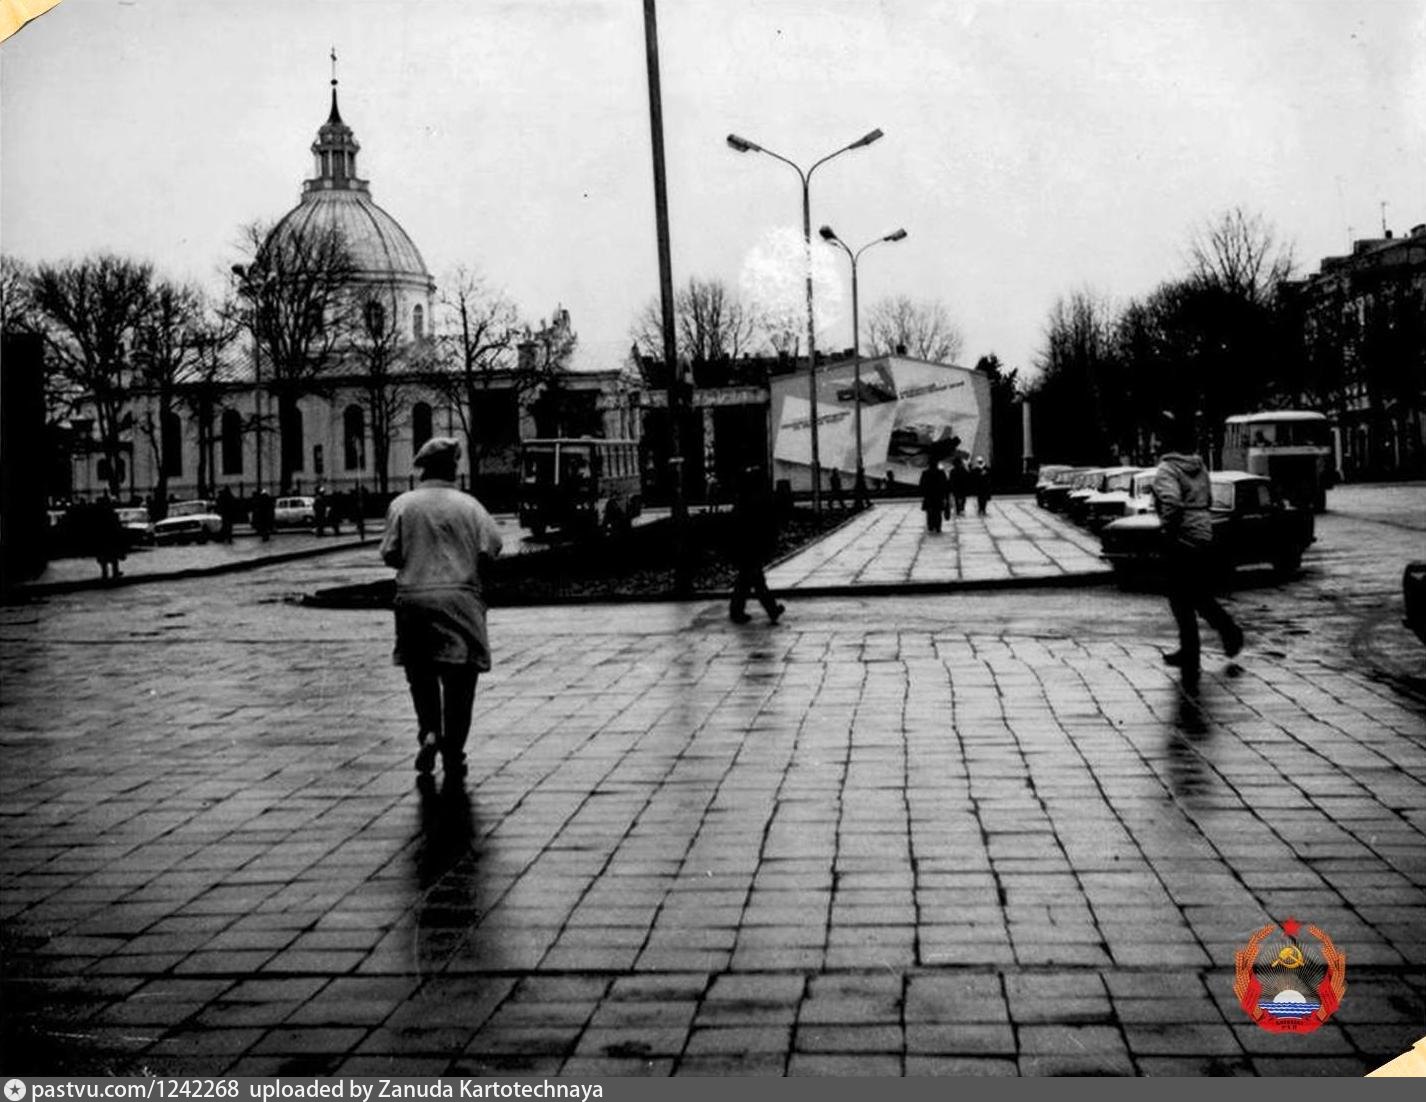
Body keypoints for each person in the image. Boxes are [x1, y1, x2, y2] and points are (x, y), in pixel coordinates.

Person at [381, 437, 503, 778]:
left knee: (420, 673)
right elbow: (492, 547)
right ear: (453, 468)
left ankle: (429, 731)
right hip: (459, 598)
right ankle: (454, 752)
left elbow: (390, 554)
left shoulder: (403, 504)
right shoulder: (470, 506)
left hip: (414, 598)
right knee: (460, 680)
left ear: (423, 469)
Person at [1154, 412, 1244, 687]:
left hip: (1182, 538)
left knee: (1180, 598)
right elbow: (1209, 498)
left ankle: (1202, 646)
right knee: (1197, 595)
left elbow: (1172, 503)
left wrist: (1168, 531)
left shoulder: (1167, 469)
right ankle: (1219, 636)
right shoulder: (1199, 466)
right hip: (1204, 532)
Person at [728, 465, 785, 625]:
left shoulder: (744, 499)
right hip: (751, 547)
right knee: (754, 580)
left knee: (747, 580)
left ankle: (738, 611)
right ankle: (770, 609)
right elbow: (763, 525)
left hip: (745, 546)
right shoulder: (755, 500)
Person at [91, 495, 126, 581]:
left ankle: (105, 574)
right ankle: (114, 573)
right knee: (113, 557)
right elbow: (117, 526)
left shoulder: (97, 514)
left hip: (102, 539)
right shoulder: (111, 513)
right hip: (111, 539)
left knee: (104, 558)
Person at [918, 461, 948, 533]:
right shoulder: (941, 473)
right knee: (938, 512)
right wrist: (945, 495)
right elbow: (945, 485)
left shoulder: (925, 473)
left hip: (929, 495)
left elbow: (922, 484)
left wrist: (923, 494)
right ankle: (938, 526)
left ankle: (931, 525)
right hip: (938, 495)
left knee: (930, 512)